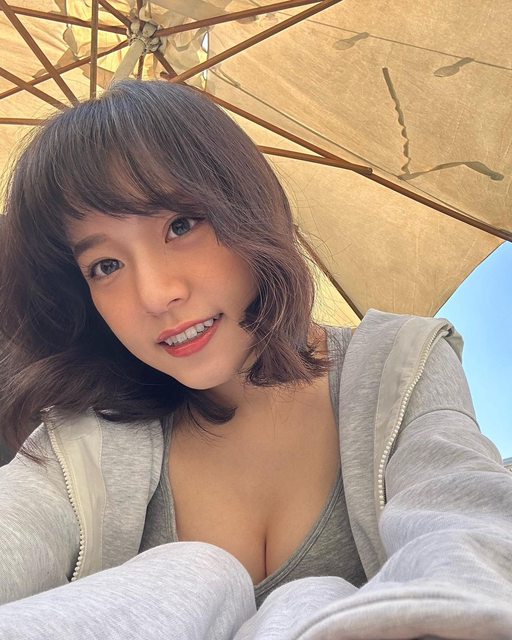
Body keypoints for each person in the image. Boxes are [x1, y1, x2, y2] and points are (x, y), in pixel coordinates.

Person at [0, 80, 510, 640]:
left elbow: (464, 517)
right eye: (105, 266)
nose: (156, 295)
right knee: (192, 574)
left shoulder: (399, 366)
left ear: (247, 208)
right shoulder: (84, 435)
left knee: (310, 597)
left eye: (180, 226)